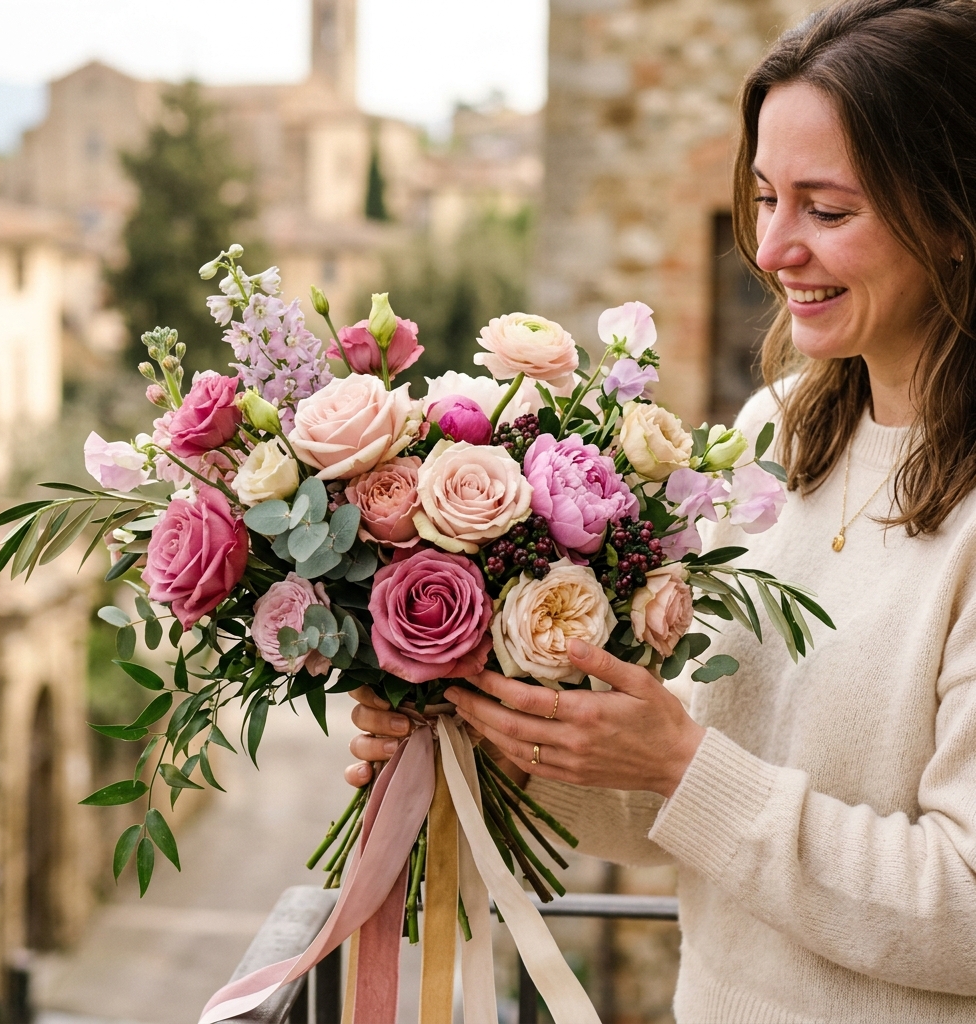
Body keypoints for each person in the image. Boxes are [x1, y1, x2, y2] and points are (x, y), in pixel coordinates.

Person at [344, 0, 976, 1018]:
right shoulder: (777, 435)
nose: (772, 249)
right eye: (766, 197)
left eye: (827, 209)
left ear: (954, 220)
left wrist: (685, 763)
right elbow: (675, 802)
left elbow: (963, 910)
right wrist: (472, 735)